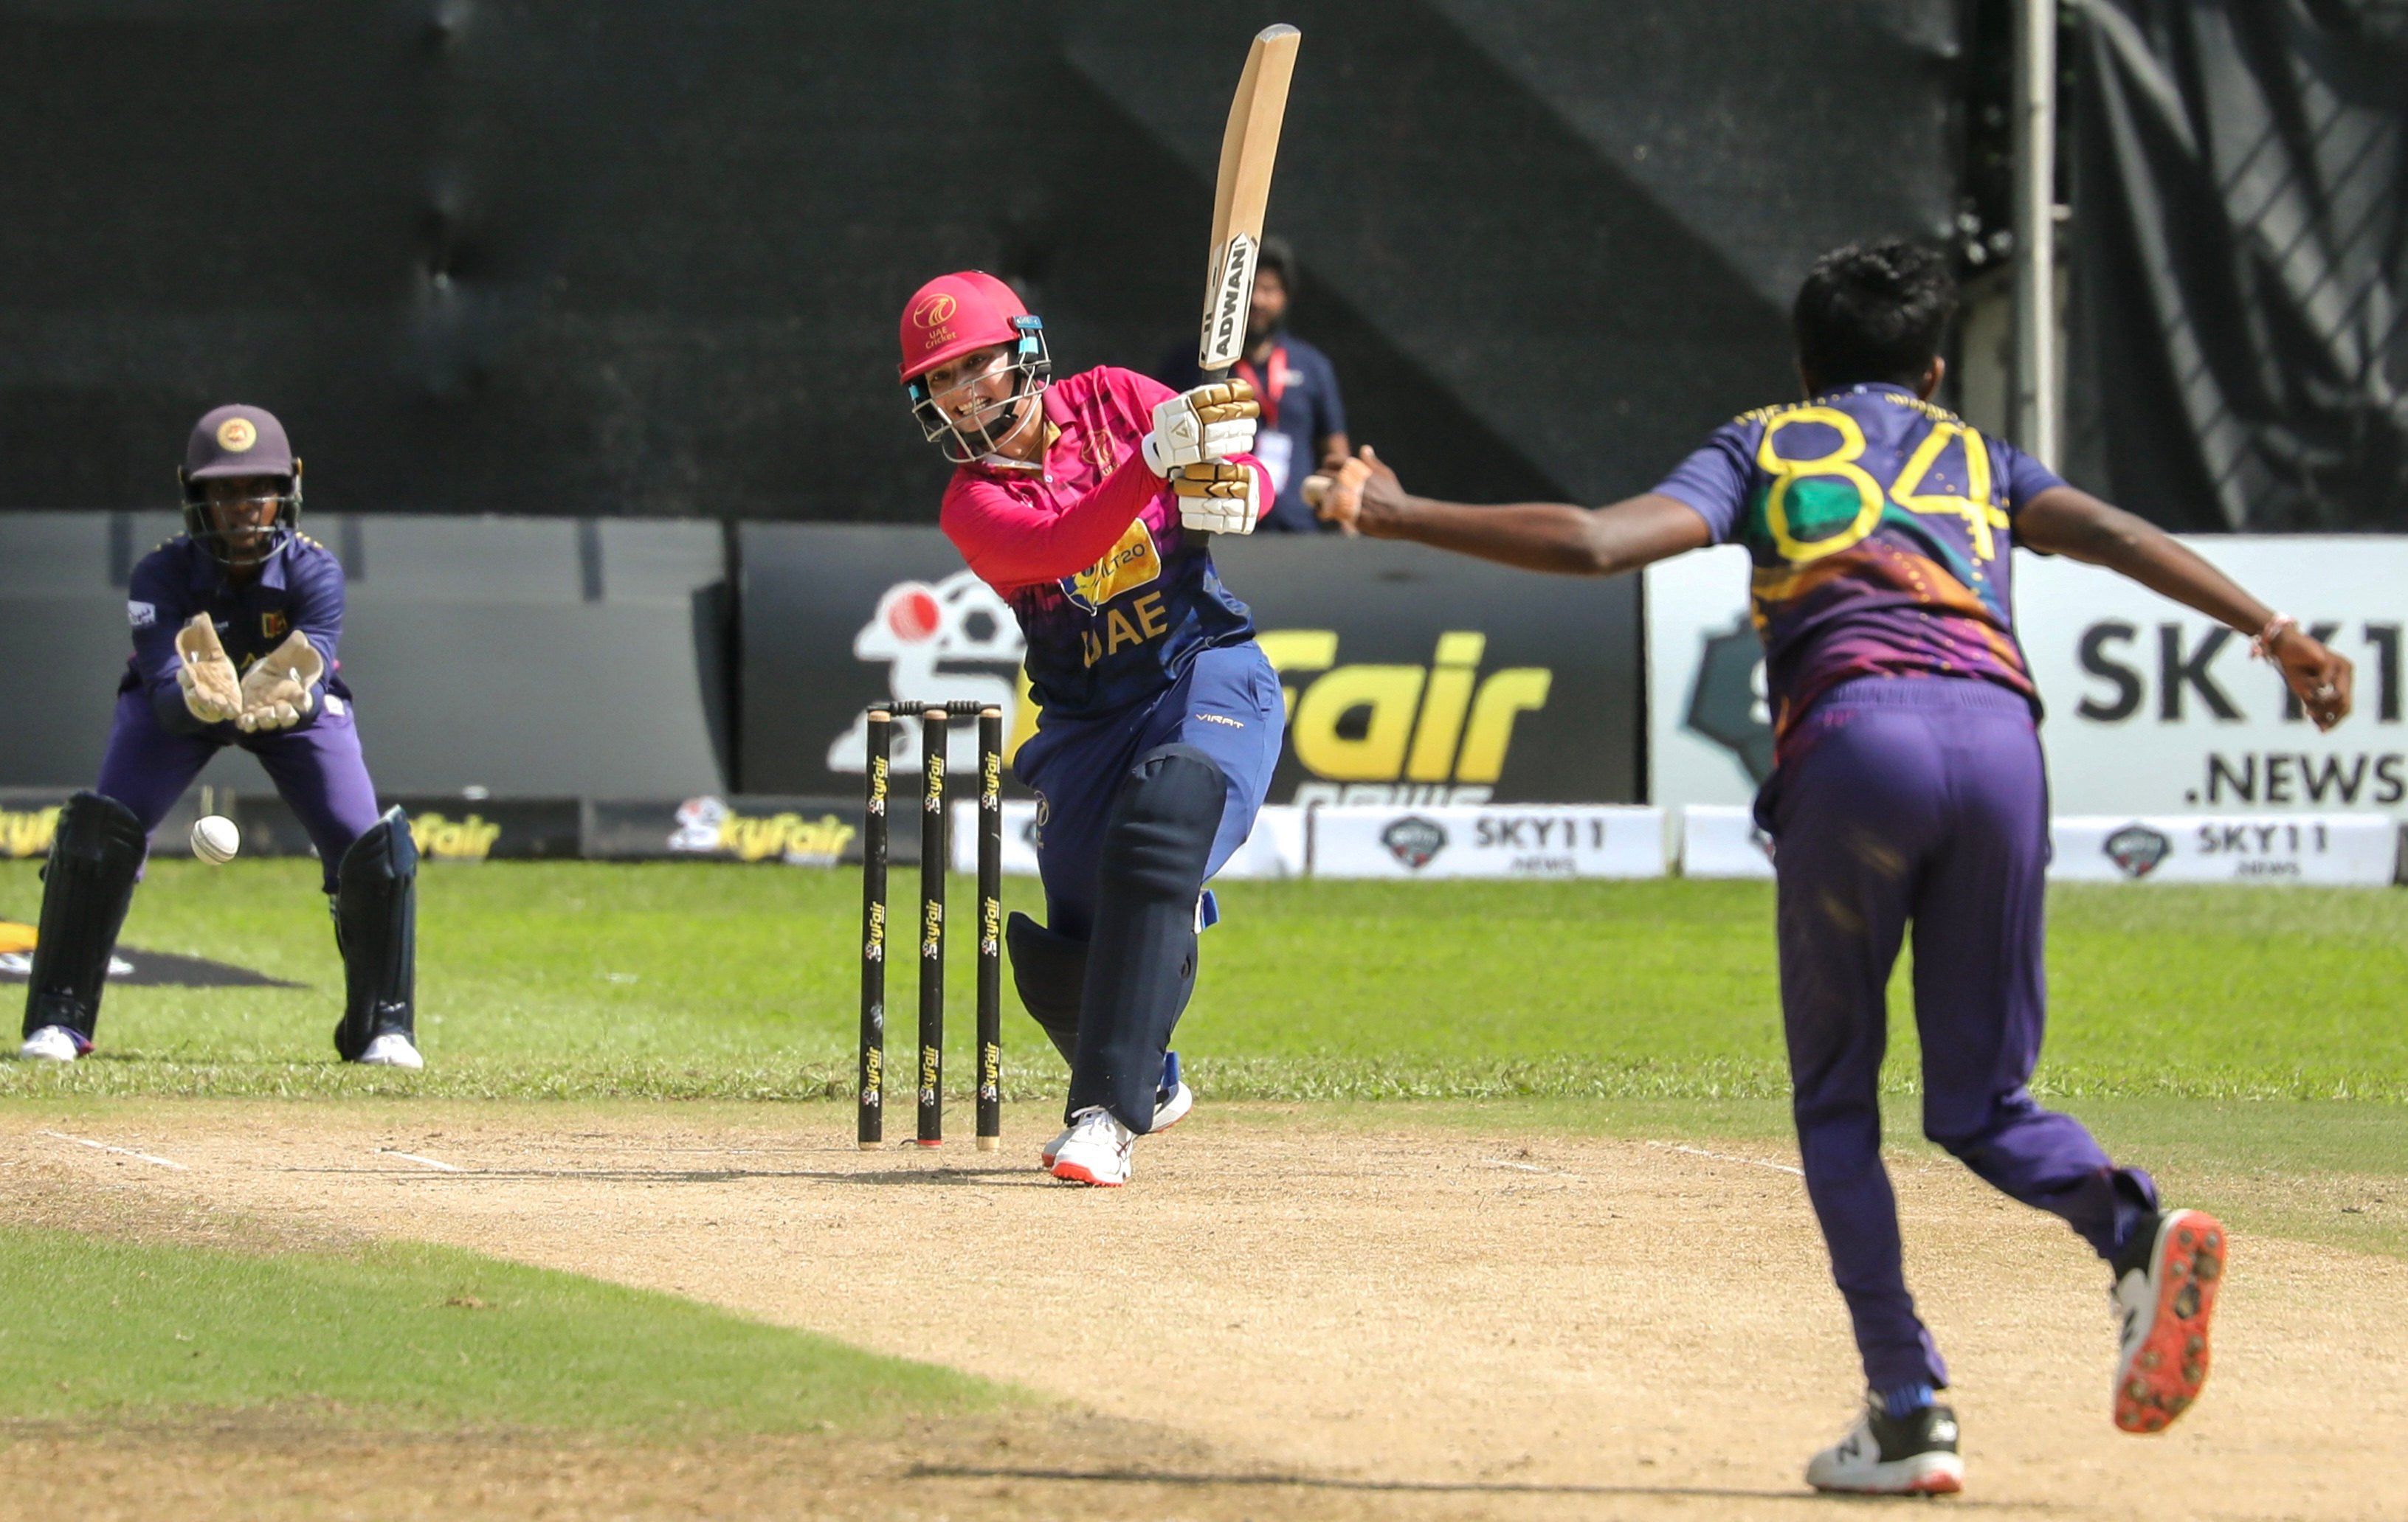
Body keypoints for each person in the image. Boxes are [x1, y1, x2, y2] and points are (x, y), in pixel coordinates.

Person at [1314, 241, 2352, 1495]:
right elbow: (2119, 532)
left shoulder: (1765, 441)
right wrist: (2273, 630)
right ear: (1930, 369)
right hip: (2000, 749)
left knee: (1836, 1098)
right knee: (1980, 1100)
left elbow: (1595, 542)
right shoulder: (1975, 454)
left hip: (1858, 744)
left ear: (1802, 366)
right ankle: (2131, 1228)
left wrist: (1391, 511)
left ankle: (1908, 1407)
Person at [897, 271, 1283, 1186]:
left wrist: (1241, 488)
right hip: (1083, 721)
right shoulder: (971, 503)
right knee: (1060, 957)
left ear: (1024, 350)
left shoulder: (1113, 397)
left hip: (1202, 668)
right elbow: (1059, 546)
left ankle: (1104, 1114)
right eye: (940, 382)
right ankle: (1152, 1077)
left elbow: (1233, 459)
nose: (960, 394)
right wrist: (1154, 465)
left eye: (974, 367)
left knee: (1162, 821)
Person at [18, 405, 423, 1070]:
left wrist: (292, 694)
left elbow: (315, 669)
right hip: (178, 708)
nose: (243, 507)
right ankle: (60, 1020)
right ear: (194, 493)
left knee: (372, 850)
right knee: (98, 830)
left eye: (258, 489)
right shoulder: (160, 575)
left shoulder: (315, 573)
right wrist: (194, 694)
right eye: (224, 490)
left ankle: (382, 1028)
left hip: (286, 713)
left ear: (288, 488)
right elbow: (163, 695)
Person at [1157, 237, 1349, 533]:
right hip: (1211, 530)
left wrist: (1346, 515)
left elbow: (1336, 451)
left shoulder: (1312, 365)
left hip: (1296, 534)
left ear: (1285, 296)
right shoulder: (1192, 363)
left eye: (1268, 289)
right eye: (1247, 290)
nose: (1257, 301)